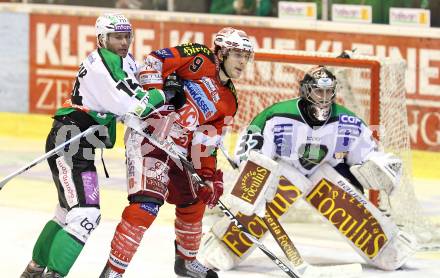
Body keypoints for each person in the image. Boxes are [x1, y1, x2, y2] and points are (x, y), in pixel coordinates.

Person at [199, 66, 417, 271]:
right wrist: (254, 178)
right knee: (281, 185)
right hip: (284, 173)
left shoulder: (348, 121)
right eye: (318, 91)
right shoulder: (278, 115)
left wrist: (378, 164)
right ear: (305, 91)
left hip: (324, 173)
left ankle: (385, 244)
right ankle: (224, 243)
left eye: (328, 91)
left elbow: (366, 154)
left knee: (335, 191)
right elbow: (252, 147)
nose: (323, 98)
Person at [20, 13, 168, 278]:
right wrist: (164, 93)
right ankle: (51, 274)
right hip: (70, 140)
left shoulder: (121, 60)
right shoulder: (104, 64)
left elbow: (131, 103)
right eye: (117, 37)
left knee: (67, 212)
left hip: (81, 145)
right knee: (85, 215)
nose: (124, 42)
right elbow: (135, 105)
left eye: (127, 37)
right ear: (102, 39)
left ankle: (34, 271)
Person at [99, 27, 254, 278]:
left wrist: (207, 175)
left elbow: (206, 141)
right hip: (149, 138)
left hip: (179, 150)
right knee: (146, 204)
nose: (243, 62)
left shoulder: (229, 101)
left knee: (195, 200)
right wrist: (157, 97)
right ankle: (113, 272)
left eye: (246, 56)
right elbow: (154, 60)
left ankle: (186, 262)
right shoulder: (199, 57)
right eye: (237, 54)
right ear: (222, 53)